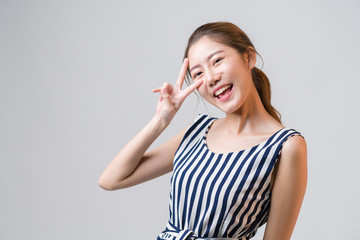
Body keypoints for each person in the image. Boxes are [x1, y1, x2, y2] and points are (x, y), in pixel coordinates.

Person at [98, 22, 307, 240]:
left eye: (217, 61)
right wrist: (161, 120)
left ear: (249, 58)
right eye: (198, 74)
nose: (210, 78)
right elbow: (111, 179)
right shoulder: (198, 132)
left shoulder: (286, 146)